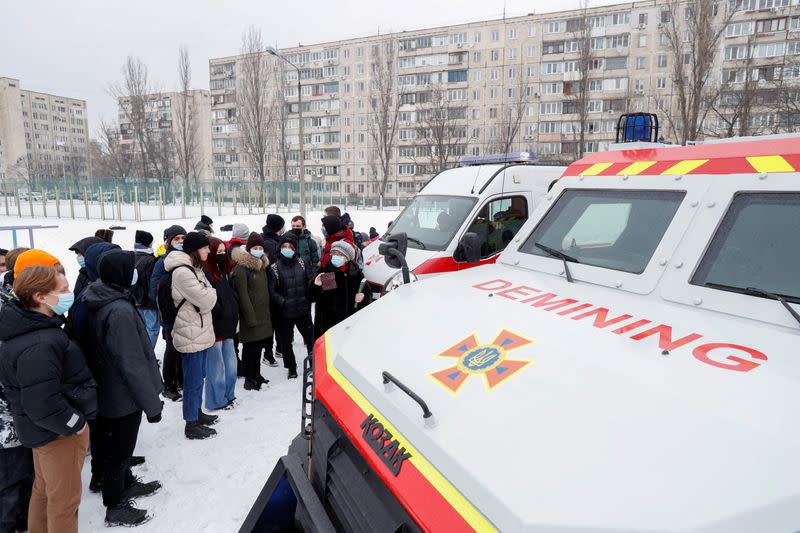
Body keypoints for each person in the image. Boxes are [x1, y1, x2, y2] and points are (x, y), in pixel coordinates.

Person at [0, 266, 97, 533]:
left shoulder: (32, 329)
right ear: (41, 297)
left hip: (42, 432)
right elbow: (42, 403)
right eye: (63, 290)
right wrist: (76, 423)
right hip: (57, 435)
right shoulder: (40, 342)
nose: (69, 294)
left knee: (44, 492)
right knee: (64, 503)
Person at [81, 249, 163, 526]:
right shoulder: (118, 311)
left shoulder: (102, 295)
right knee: (119, 450)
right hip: (122, 395)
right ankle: (115, 506)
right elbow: (132, 363)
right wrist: (152, 405)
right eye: (132, 268)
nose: (136, 271)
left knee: (117, 448)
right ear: (121, 274)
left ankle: (126, 483)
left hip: (108, 387)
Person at [164, 232, 219, 440]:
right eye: (205, 247)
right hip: (190, 332)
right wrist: (210, 294)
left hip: (200, 330)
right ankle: (191, 423)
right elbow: (207, 300)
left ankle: (197, 413)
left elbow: (208, 293)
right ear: (196, 249)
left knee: (200, 377)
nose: (208, 250)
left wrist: (209, 293)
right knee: (193, 380)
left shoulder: (195, 268)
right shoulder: (183, 272)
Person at [231, 233, 275, 391]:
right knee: (250, 349)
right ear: (248, 249)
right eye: (255, 248)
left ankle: (257, 374)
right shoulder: (242, 268)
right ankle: (249, 378)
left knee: (259, 347)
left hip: (263, 315)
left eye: (260, 248)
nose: (258, 250)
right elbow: (242, 295)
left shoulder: (261, 265)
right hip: (251, 317)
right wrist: (250, 318)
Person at [268, 233, 314, 379]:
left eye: (290, 247)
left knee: (310, 339)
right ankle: (291, 367)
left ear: (295, 249)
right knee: (286, 342)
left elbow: (309, 283)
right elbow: (272, 290)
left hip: (303, 310)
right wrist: (283, 302)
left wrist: (307, 299)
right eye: (284, 246)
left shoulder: (302, 263)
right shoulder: (274, 268)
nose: (287, 249)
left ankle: (314, 364)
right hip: (285, 313)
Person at [150, 225, 187, 402]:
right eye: (176, 239)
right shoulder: (162, 262)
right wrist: (167, 312)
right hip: (170, 315)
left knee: (182, 349)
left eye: (183, 238)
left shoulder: (187, 258)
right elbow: (155, 290)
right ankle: (169, 384)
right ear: (168, 241)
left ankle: (181, 380)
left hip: (186, 314)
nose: (180, 242)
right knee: (172, 350)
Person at [203, 237, 239, 410]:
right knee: (216, 370)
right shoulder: (205, 272)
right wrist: (220, 311)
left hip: (229, 326)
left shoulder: (224, 270)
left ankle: (229, 395)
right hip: (215, 328)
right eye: (218, 252)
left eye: (224, 251)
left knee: (231, 367)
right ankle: (216, 401)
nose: (223, 255)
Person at [310, 240, 371, 338]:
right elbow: (311, 297)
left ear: (347, 258)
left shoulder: (356, 274)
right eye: (334, 253)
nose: (335, 256)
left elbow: (367, 294)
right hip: (326, 327)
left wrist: (363, 298)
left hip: (348, 325)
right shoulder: (326, 271)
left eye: (339, 254)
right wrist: (316, 286)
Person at [0, 382, 33, 533]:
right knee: (9, 489)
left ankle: (24, 519)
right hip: (6, 439)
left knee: (27, 479)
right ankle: (7, 527)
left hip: (22, 434)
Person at [133, 231, 159, 348]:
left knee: (141, 330)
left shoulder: (131, 257)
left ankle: (142, 356)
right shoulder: (150, 260)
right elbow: (151, 283)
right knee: (152, 330)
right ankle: (149, 357)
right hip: (148, 302)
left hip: (134, 299)